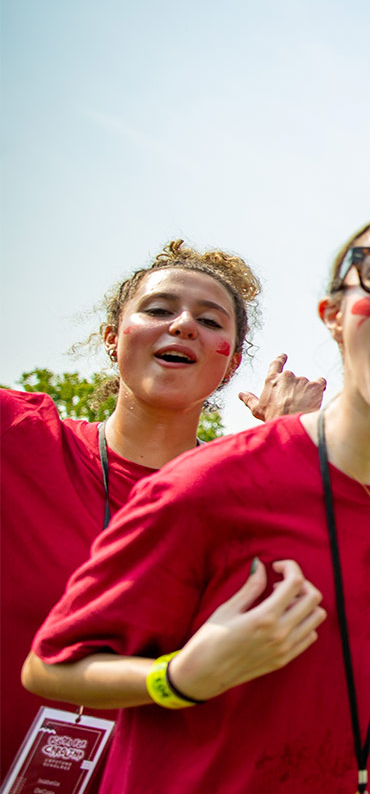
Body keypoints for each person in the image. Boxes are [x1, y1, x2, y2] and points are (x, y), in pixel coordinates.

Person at [23, 209, 370, 794]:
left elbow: (357, 657)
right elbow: (51, 667)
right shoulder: (205, 486)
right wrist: (177, 678)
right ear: (333, 316)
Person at [1, 240, 260, 782]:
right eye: (159, 310)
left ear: (231, 365)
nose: (184, 325)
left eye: (210, 320)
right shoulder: (17, 437)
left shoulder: (249, 508)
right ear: (112, 340)